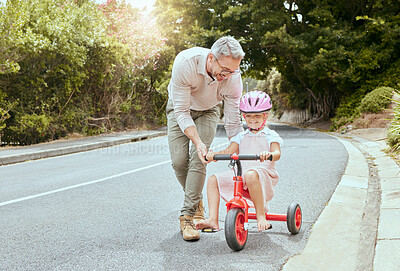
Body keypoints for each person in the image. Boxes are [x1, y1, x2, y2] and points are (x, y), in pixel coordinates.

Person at [166, 36, 245, 241]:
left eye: (233, 71)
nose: (228, 76)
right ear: (211, 58)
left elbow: (232, 119)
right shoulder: (185, 63)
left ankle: (188, 216)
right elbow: (182, 113)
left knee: (200, 158)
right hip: (180, 109)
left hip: (209, 110)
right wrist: (197, 141)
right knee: (179, 161)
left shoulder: (233, 78)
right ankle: (196, 200)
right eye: (225, 70)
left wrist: (234, 147)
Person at [196, 90, 283, 232]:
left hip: (263, 175)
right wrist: (214, 155)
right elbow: (229, 151)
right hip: (242, 174)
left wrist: (269, 154)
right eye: (248, 116)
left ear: (265, 116)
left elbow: (277, 153)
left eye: (257, 116)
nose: (252, 119)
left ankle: (261, 216)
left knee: (250, 175)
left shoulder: (270, 135)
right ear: (244, 116)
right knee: (213, 179)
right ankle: (213, 219)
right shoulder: (241, 136)